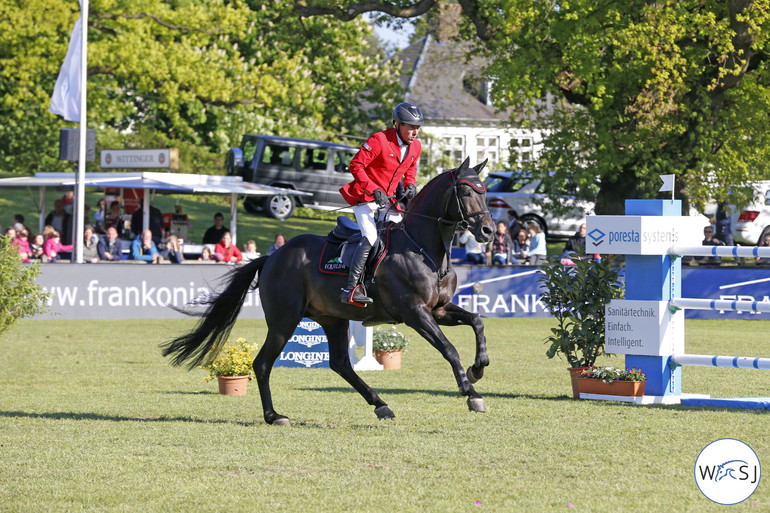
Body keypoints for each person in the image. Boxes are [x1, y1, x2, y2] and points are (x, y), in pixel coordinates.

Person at [338, 102, 423, 305]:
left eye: (418, 127)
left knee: (403, 233)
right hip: (364, 197)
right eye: (411, 127)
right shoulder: (379, 140)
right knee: (371, 236)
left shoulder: (416, 147)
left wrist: (410, 184)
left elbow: (410, 170)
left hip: (389, 201)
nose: (415, 132)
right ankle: (351, 289)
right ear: (398, 124)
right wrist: (373, 189)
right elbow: (356, 165)